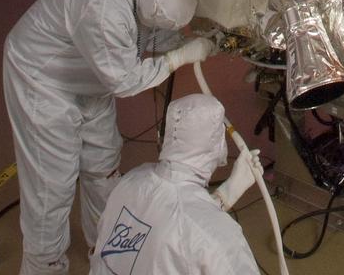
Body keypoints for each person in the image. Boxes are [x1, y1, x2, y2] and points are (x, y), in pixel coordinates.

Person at [3, 0, 217, 274]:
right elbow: (125, 81)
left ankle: (103, 249)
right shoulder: (103, 9)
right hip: (42, 77)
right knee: (51, 185)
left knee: (103, 166)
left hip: (88, 71)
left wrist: (193, 39)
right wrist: (181, 56)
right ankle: (44, 266)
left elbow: (151, 32)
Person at [90, 93, 260, 275]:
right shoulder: (219, 237)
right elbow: (194, 228)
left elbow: (171, 217)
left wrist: (227, 193)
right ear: (218, 146)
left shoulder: (130, 181)